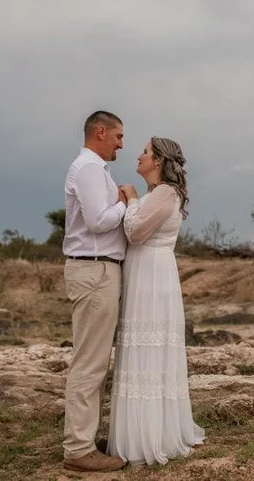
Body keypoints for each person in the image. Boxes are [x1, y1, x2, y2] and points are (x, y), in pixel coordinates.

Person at [107, 136, 206, 465]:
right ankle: (142, 429)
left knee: (148, 350)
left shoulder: (163, 193)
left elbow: (135, 232)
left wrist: (132, 199)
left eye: (145, 152)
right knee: (144, 350)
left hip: (152, 274)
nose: (138, 156)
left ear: (159, 161)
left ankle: (147, 436)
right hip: (147, 271)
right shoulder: (159, 194)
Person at [61, 111, 129, 472]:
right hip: (94, 267)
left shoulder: (95, 168)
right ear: (100, 132)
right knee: (89, 362)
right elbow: (98, 221)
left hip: (99, 268)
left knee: (95, 360)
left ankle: (85, 439)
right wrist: (124, 202)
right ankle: (77, 449)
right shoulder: (88, 169)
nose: (122, 143)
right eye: (118, 135)